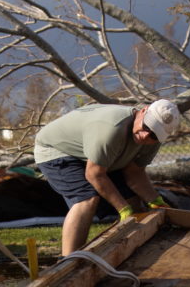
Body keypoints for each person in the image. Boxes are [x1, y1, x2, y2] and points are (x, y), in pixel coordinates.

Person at [34, 99, 180, 256]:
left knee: (133, 199)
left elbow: (134, 173)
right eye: (145, 127)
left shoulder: (153, 140)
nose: (145, 136)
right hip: (57, 150)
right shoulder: (111, 128)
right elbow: (94, 174)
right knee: (87, 198)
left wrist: (156, 201)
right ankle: (69, 259)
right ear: (143, 111)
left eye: (153, 134)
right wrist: (123, 209)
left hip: (94, 155)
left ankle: (132, 250)